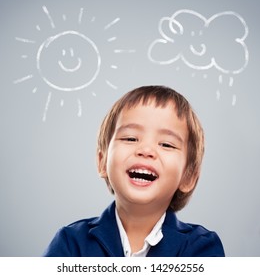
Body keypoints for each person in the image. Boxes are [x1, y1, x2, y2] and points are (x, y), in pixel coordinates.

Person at [43, 85, 225, 257]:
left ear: (188, 176)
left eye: (166, 144)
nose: (146, 150)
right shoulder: (70, 242)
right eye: (130, 138)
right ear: (102, 161)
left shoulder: (202, 246)